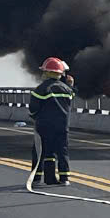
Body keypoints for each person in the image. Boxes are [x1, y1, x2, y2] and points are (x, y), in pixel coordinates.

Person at [29, 57, 75, 186]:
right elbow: (71, 96)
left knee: (41, 151)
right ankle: (63, 178)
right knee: (62, 151)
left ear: (48, 72)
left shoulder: (42, 89)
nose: (43, 74)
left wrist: (34, 117)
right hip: (62, 126)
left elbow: (33, 108)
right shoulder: (67, 90)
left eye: (44, 71)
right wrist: (70, 84)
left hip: (45, 126)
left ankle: (37, 179)